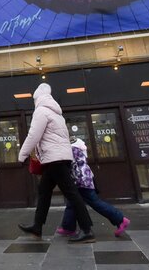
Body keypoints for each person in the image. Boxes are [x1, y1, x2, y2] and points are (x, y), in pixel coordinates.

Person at [17, 83, 95, 242]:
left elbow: (34, 135)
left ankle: (87, 230)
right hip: (59, 158)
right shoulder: (57, 114)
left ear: (37, 98)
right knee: (44, 191)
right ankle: (37, 226)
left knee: (71, 193)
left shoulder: (41, 111)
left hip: (55, 160)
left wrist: (22, 155)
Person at [57, 137, 130, 238]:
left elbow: (71, 165)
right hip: (83, 178)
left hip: (81, 180)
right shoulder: (76, 147)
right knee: (72, 202)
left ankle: (120, 220)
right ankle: (68, 227)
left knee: (94, 202)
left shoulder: (72, 149)